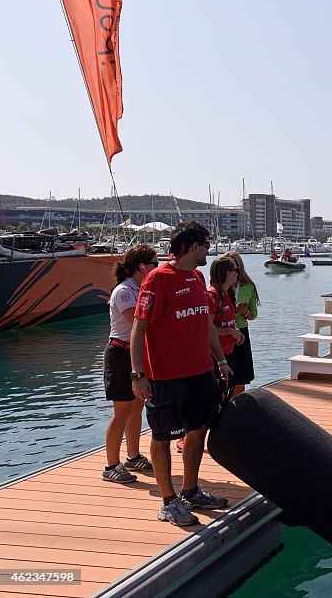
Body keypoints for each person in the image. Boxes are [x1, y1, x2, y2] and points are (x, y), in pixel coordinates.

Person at [130, 221, 231, 527]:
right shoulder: (157, 279)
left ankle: (190, 490)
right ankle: (168, 501)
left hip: (200, 372)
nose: (209, 250)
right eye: (205, 245)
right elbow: (138, 329)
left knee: (197, 430)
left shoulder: (199, 277)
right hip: (165, 376)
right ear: (190, 247)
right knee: (162, 436)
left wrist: (221, 360)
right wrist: (138, 374)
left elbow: (205, 324)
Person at [102, 244, 160, 484]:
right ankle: (111, 465)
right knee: (122, 411)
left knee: (137, 406)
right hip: (120, 354)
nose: (158, 268)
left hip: (136, 353)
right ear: (142, 267)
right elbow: (137, 323)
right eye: (155, 264)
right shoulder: (125, 291)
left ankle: (133, 456)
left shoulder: (141, 288)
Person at [207, 255, 245, 400]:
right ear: (228, 273)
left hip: (228, 351)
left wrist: (236, 332)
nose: (238, 273)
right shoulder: (212, 296)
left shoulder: (227, 294)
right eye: (237, 270)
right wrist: (229, 331)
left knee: (228, 392)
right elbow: (206, 327)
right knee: (216, 396)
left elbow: (226, 320)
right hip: (214, 354)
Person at [222, 251, 259, 397]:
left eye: (232, 267)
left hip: (241, 332)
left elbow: (253, 314)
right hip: (223, 333)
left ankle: (235, 413)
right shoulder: (218, 286)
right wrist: (234, 312)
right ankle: (221, 414)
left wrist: (244, 312)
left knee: (240, 380)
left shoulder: (248, 286)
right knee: (222, 380)